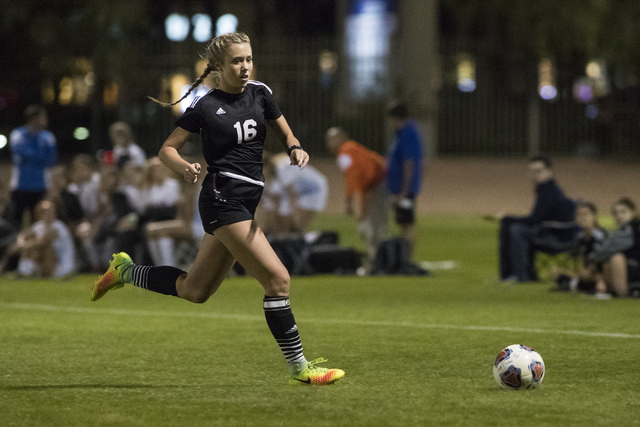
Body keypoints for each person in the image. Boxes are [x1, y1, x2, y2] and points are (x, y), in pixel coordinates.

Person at [90, 32, 344, 385]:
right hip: (222, 202)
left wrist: (295, 148)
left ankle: (125, 271)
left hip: (245, 204)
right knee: (278, 279)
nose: (245, 67)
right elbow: (167, 148)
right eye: (237, 61)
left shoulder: (261, 93)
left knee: (195, 291)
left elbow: (286, 132)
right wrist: (183, 166)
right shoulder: (206, 106)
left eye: (249, 59)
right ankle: (299, 367)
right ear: (218, 67)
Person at [497, 155, 576, 282]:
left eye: (538, 171)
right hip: (550, 232)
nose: (535, 175)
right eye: (532, 172)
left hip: (558, 239)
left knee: (517, 230)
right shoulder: (545, 190)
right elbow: (536, 218)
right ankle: (513, 274)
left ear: (549, 171)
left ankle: (519, 275)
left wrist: (507, 218)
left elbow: (534, 219)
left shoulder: (550, 192)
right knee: (514, 227)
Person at [325, 127, 387, 266]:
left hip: (381, 181)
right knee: (374, 221)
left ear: (342, 138)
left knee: (376, 223)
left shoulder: (345, 153)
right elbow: (363, 180)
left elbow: (353, 179)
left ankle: (379, 259)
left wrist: (349, 202)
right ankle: (377, 256)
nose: (330, 143)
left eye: (333, 139)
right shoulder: (351, 148)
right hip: (378, 182)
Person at [8, 105, 58, 228]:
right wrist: (39, 157)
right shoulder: (18, 134)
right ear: (33, 118)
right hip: (21, 185)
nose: (46, 119)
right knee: (16, 220)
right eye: (43, 117)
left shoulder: (48, 137)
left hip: (40, 185)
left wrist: (33, 157)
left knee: (38, 220)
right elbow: (21, 155)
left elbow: (52, 159)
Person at [0, 200, 75, 278]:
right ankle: (24, 271)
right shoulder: (40, 225)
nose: (48, 214)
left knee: (45, 247)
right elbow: (23, 235)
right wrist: (20, 243)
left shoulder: (58, 226)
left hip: (62, 266)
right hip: (46, 262)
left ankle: (26, 271)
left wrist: (22, 247)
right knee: (29, 243)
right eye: (44, 212)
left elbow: (43, 241)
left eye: (50, 211)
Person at [386, 100, 424, 258]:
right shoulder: (404, 133)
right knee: (403, 223)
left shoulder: (408, 133)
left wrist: (403, 191)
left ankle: (408, 258)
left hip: (405, 191)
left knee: (407, 223)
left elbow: (409, 164)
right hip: (401, 189)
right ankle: (405, 257)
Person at [261, 151, 328, 233]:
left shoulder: (281, 169)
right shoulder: (273, 172)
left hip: (313, 189)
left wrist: (294, 215)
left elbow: (291, 194)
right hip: (300, 190)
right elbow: (275, 200)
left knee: (298, 227)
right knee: (285, 224)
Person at [552, 201, 608, 294]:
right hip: (586, 274)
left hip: (601, 274)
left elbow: (602, 259)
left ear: (594, 216)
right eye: (579, 214)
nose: (582, 218)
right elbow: (579, 259)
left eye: (586, 214)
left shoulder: (600, 236)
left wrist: (588, 271)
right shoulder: (580, 237)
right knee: (559, 274)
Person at [589, 197, 640, 298]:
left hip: (636, 269)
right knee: (607, 262)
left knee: (616, 257)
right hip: (632, 267)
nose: (619, 216)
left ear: (633, 212)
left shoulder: (633, 227)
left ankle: (624, 294)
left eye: (623, 212)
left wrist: (595, 255)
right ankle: (613, 292)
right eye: (616, 213)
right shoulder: (622, 229)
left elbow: (609, 248)